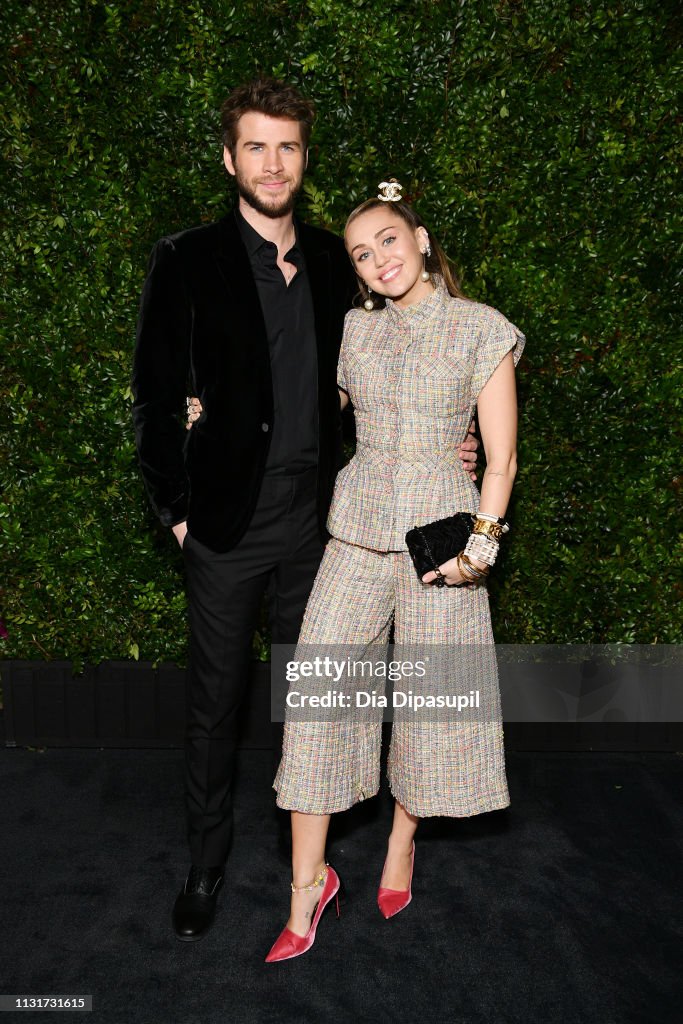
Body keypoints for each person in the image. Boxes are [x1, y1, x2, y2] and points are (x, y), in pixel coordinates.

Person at [132, 80, 479, 942]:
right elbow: (150, 397)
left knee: (320, 695)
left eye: (287, 147)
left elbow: (406, 352)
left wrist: (452, 443)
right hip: (224, 523)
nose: (273, 163)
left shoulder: (337, 260)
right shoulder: (185, 259)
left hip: (327, 523)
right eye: (255, 147)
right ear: (229, 159)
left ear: (303, 159)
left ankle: (319, 861)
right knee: (217, 703)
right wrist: (176, 512)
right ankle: (207, 864)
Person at [263, 181, 525, 962]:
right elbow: (306, 409)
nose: (378, 259)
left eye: (387, 240)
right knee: (315, 700)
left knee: (428, 705)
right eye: (361, 253)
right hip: (353, 531)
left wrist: (480, 549)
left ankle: (401, 841)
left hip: (440, 544)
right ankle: (307, 887)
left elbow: (500, 454)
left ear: (416, 236)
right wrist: (213, 410)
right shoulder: (352, 329)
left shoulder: (479, 328)